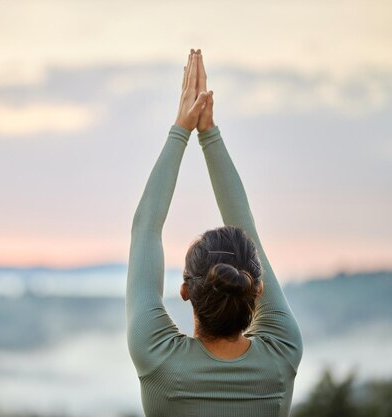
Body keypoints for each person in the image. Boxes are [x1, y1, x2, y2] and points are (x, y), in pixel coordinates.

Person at [126, 48, 304, 417]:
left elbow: (146, 230)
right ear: (257, 287)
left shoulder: (159, 360)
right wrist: (209, 135)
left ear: (186, 290)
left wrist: (183, 130)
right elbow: (246, 227)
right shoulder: (281, 354)